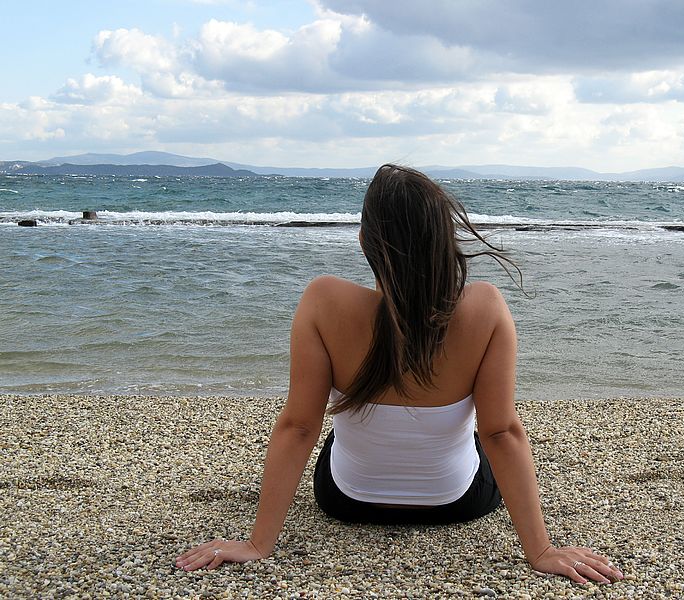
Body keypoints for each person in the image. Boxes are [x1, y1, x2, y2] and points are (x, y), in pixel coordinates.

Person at [176, 164, 623, 585]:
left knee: (339, 431)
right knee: (470, 436)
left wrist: (259, 543)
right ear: (443, 240)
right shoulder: (485, 307)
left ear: (364, 239)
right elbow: (501, 432)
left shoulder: (322, 300)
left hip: (347, 501)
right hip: (455, 505)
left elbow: (298, 426)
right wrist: (540, 550)